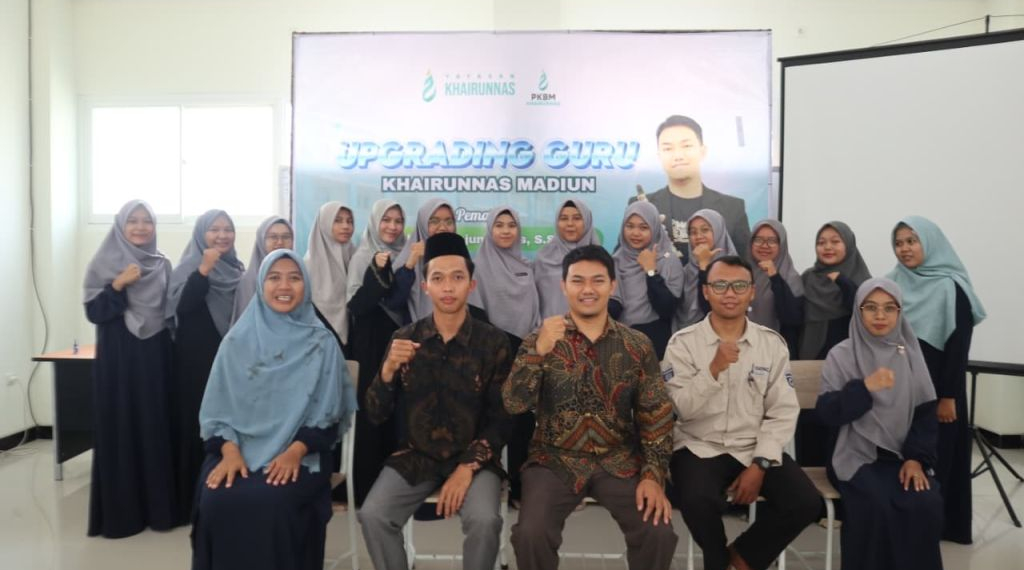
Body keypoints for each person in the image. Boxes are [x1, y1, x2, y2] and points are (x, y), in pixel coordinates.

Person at [504, 245, 678, 570]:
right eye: (577, 281)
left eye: (597, 280)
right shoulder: (540, 339)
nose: (587, 289)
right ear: (563, 286)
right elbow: (514, 404)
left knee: (658, 532)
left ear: (612, 285)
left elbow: (656, 414)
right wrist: (538, 352)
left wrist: (653, 476)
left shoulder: (636, 344)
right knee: (530, 533)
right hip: (554, 459)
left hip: (619, 460)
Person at [191, 249, 356, 570]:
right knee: (217, 498)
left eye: (294, 278)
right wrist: (228, 451)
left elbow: (329, 416)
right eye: (274, 278)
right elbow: (215, 412)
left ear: (306, 285)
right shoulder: (236, 342)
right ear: (260, 284)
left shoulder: (322, 343)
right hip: (236, 448)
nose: (284, 286)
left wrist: (295, 451)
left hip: (302, 451)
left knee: (274, 499)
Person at [358, 232, 513, 570]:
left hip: (475, 458)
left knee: (485, 520)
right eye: (438, 279)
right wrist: (387, 370)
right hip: (417, 455)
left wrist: (466, 468)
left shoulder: (493, 342)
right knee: (373, 515)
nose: (448, 287)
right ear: (425, 286)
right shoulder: (405, 339)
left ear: (471, 285)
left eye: (457, 278)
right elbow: (374, 413)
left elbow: (502, 419)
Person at [663, 256, 820, 570]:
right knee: (696, 500)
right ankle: (717, 560)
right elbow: (681, 409)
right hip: (699, 446)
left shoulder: (771, 344)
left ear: (752, 292)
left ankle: (743, 557)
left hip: (752, 445)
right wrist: (713, 369)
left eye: (739, 285)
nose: (730, 293)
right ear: (706, 291)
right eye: (720, 285)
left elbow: (782, 411)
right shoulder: (683, 344)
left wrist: (761, 464)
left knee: (805, 502)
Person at [816, 278, 943, 569]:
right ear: (858, 311)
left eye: (889, 308)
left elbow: (925, 414)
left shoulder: (911, 354)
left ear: (900, 312)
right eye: (871, 307)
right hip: (854, 454)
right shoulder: (841, 355)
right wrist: (865, 388)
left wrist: (915, 459)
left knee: (925, 502)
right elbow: (827, 414)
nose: (880, 315)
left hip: (902, 456)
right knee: (875, 503)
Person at [888, 216, 986, 544]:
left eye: (912, 241)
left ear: (930, 243)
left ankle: (937, 527)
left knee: (938, 457)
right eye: (899, 243)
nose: (904, 249)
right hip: (900, 389)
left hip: (940, 390)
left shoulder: (950, 287)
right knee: (903, 455)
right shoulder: (891, 284)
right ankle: (904, 522)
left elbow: (958, 348)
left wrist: (948, 396)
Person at [83, 199, 177, 538]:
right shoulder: (104, 262)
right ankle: (124, 516)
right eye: (133, 221)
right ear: (121, 226)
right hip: (119, 360)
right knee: (121, 427)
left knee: (155, 426)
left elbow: (170, 311)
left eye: (146, 221)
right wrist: (118, 285)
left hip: (155, 355)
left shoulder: (162, 264)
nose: (140, 227)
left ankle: (159, 511)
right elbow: (94, 312)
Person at [167, 209, 245, 524]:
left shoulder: (238, 270)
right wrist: (203, 271)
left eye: (228, 229)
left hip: (230, 360)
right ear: (201, 233)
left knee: (227, 426)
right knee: (198, 426)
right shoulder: (188, 267)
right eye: (214, 229)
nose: (222, 235)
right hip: (195, 362)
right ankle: (192, 499)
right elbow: (180, 308)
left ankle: (225, 495)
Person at [472, 205, 541, 504]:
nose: (505, 230)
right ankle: (486, 484)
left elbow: (535, 308)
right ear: (489, 229)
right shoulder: (477, 266)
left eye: (511, 225)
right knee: (491, 418)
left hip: (524, 349)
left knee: (522, 421)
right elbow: (474, 310)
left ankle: (519, 486)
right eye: (499, 225)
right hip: (491, 350)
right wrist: (496, 344)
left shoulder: (527, 265)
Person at [345, 199, 408, 506]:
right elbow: (357, 305)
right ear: (374, 222)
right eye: (386, 220)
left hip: (400, 340)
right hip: (370, 343)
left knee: (398, 410)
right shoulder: (363, 256)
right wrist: (377, 272)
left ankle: (396, 486)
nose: (392, 227)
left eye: (398, 221)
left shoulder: (406, 254)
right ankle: (367, 488)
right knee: (372, 411)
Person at [630, 114, 750, 264]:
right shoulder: (640, 205)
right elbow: (625, 260)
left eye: (686, 146)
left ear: (703, 151)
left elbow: (745, 265)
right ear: (659, 156)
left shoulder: (733, 208)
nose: (678, 156)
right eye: (668, 148)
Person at [611, 201, 684, 359]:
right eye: (630, 226)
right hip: (618, 341)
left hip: (655, 342)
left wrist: (651, 271)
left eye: (643, 228)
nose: (635, 233)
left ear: (655, 228)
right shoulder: (615, 261)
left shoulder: (669, 261)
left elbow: (667, 309)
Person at [799, 221, 871, 360]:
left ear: (848, 245)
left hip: (848, 359)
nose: (827, 247)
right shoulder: (808, 277)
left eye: (835, 242)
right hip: (810, 356)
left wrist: (843, 282)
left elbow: (863, 315)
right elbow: (795, 319)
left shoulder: (862, 280)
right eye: (821, 243)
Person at [534, 199, 602, 319]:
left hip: (590, 327)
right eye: (564, 218)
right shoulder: (543, 257)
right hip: (552, 328)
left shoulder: (600, 259)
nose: (570, 224)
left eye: (577, 218)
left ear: (587, 222)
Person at [305, 201, 356, 356]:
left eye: (349, 221)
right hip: (317, 340)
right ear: (324, 224)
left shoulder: (356, 257)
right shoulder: (307, 265)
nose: (345, 226)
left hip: (353, 337)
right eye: (337, 220)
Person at [748, 219, 804, 359]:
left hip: (777, 354)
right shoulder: (742, 273)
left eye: (772, 241)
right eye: (758, 240)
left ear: (782, 245)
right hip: (743, 349)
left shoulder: (792, 279)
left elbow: (791, 319)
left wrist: (774, 277)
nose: (764, 245)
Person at [677, 208, 737, 331]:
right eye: (693, 232)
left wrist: (703, 266)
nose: (698, 236)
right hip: (687, 335)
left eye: (705, 230)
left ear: (718, 231)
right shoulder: (686, 271)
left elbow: (711, 308)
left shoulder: (734, 267)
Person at [230, 216, 293, 325]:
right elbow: (244, 323)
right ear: (261, 240)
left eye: (286, 237)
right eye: (273, 237)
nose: (280, 242)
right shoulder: (249, 280)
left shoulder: (299, 275)